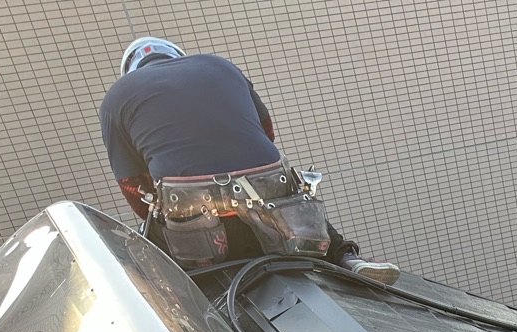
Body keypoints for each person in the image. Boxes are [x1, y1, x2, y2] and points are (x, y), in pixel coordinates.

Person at [99, 37, 399, 283]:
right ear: (177, 55)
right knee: (292, 192)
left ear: (131, 69)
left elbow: (131, 183)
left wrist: (155, 214)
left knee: (150, 246)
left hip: (188, 201)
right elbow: (267, 132)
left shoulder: (116, 97)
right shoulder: (220, 65)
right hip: (264, 182)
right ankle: (347, 258)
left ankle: (174, 299)